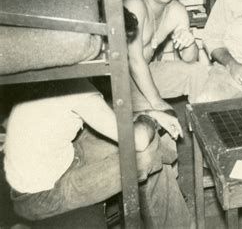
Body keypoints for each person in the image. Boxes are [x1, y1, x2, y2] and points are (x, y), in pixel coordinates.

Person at [3, 79, 192, 228]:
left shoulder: (62, 76)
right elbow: (139, 140)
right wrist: (151, 119)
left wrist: (151, 114)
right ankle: (175, 223)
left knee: (151, 140)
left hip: (64, 157)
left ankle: (174, 222)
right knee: (146, 153)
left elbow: (108, 117)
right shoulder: (79, 90)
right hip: (41, 197)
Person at [123, 0, 209, 139]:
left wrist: (189, 41)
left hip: (147, 72)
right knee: (163, 116)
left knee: (199, 72)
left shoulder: (177, 11)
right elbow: (134, 60)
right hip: (120, 84)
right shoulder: (134, 5)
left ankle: (204, 140)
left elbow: (189, 59)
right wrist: (157, 102)